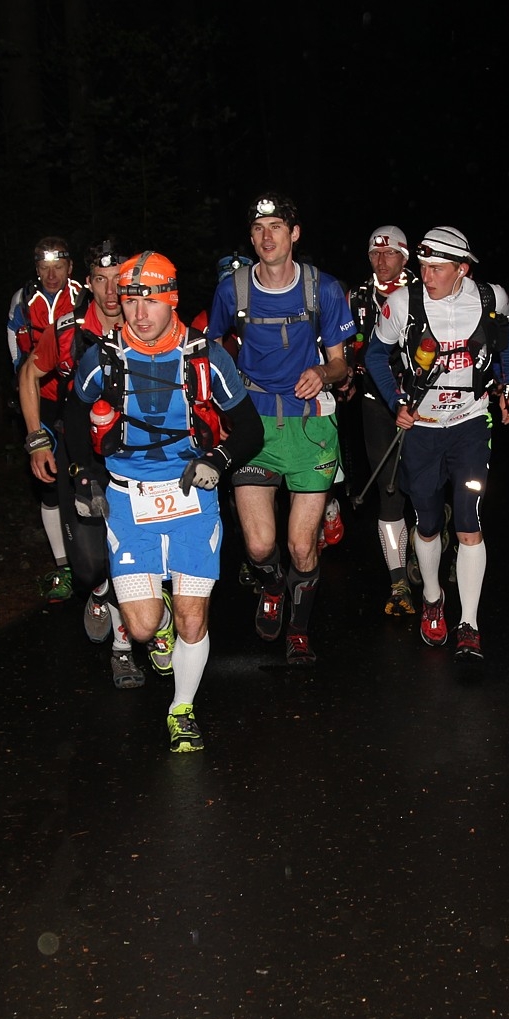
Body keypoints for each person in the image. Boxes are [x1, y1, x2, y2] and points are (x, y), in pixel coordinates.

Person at [73, 252, 263, 751]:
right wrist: (83, 474)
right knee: (139, 627)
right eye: (131, 299)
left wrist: (217, 461)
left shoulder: (205, 355)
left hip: (191, 501)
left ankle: (182, 709)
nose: (139, 311)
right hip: (129, 502)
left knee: (192, 617)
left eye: (151, 299)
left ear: (172, 299)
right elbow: (73, 415)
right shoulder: (104, 356)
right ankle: (157, 632)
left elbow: (250, 430)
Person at [206, 193, 354, 665]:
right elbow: (210, 350)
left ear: (294, 234)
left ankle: (299, 628)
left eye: (276, 226)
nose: (266, 236)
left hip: (311, 427)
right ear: (250, 238)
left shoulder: (323, 289)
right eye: (258, 228)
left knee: (300, 545)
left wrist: (322, 374)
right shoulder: (232, 289)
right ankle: (271, 585)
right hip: (253, 427)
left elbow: (340, 364)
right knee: (259, 544)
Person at [364, 226, 509, 661]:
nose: (426, 275)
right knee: (429, 521)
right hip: (423, 428)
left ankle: (469, 622)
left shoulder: (492, 299)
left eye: (437, 268)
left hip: (472, 422)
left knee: (469, 519)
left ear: (462, 269)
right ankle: (433, 598)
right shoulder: (402, 305)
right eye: (424, 267)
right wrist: (397, 400)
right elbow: (375, 355)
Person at [66, 240, 149, 690]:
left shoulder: (152, 320)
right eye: (100, 279)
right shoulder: (72, 330)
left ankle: (124, 650)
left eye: (119, 278)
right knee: (91, 568)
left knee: (130, 557)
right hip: (86, 456)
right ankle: (97, 593)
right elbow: (30, 374)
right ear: (89, 284)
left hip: (138, 460)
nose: (111, 289)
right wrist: (40, 440)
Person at [346, 225, 421, 615]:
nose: (381, 260)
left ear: (405, 257)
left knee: (426, 485)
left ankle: (434, 530)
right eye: (375, 253)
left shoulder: (423, 293)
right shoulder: (356, 296)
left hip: (425, 404)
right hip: (376, 402)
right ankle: (398, 583)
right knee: (388, 488)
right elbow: (344, 344)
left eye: (390, 253)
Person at [8, 237, 86, 602]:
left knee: (93, 474)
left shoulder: (86, 295)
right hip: (45, 399)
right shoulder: (23, 302)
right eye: (44, 267)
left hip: (84, 398)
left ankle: (103, 561)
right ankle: (63, 567)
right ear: (36, 270)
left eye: (59, 266)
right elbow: (18, 360)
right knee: (49, 482)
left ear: (70, 267)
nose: (52, 274)